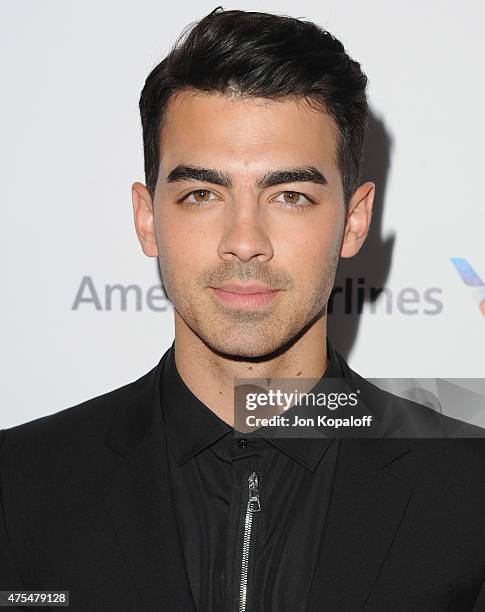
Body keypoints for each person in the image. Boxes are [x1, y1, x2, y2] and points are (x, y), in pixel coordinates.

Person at [1, 8, 485, 612]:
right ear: (148, 218)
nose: (245, 239)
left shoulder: (471, 493)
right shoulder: (18, 487)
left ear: (354, 221)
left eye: (290, 195)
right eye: (202, 194)